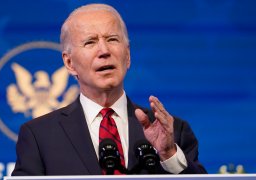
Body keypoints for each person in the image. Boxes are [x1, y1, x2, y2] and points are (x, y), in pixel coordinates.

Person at [12, 3, 207, 175]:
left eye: (112, 39)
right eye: (90, 42)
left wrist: (168, 154)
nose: (104, 51)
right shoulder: (39, 136)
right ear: (69, 63)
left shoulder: (174, 132)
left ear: (128, 55)